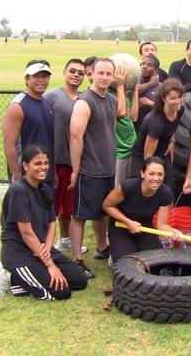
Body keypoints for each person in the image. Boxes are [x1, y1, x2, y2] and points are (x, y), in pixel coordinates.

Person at [0, 145, 87, 300]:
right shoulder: (18, 191)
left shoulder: (44, 188)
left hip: (41, 248)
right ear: (25, 166)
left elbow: (51, 223)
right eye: (37, 164)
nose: (43, 167)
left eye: (46, 163)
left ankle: (29, 275)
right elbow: (27, 233)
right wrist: (50, 265)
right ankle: (8, 275)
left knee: (79, 280)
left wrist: (47, 249)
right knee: (62, 292)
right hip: (20, 252)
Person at [69, 58, 118, 278]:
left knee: (103, 212)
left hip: (108, 169)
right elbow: (75, 136)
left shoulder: (111, 100)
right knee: (80, 215)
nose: (105, 77)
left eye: (109, 73)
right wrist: (76, 169)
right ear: (92, 74)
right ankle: (76, 259)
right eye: (101, 73)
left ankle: (101, 247)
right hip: (89, 170)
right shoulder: (84, 102)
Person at [44, 59, 88, 254]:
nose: (76, 75)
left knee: (68, 207)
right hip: (55, 160)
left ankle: (65, 239)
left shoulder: (83, 99)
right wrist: (49, 162)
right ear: (64, 72)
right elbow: (44, 129)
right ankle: (46, 244)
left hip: (74, 162)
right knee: (50, 206)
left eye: (80, 72)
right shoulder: (52, 96)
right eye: (72, 71)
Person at [103, 157, 181, 263]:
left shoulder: (165, 193)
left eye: (160, 174)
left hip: (145, 228)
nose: (156, 178)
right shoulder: (128, 186)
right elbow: (107, 206)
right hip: (121, 227)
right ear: (143, 173)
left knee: (157, 262)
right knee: (128, 263)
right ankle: (115, 253)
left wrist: (173, 232)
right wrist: (128, 222)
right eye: (151, 174)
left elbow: (162, 225)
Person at [3, 60, 54, 185]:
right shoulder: (18, 106)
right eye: (36, 76)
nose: (41, 80)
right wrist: (17, 175)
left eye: (45, 76)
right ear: (27, 79)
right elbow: (9, 145)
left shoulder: (47, 104)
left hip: (45, 174)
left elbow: (49, 140)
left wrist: (53, 173)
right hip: (26, 176)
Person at [131, 78, 184, 192]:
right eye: (173, 98)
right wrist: (155, 175)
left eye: (180, 97)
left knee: (169, 188)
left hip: (162, 152)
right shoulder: (155, 122)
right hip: (143, 157)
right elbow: (148, 156)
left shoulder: (180, 109)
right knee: (149, 188)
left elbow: (174, 126)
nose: (178, 101)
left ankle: (167, 209)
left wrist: (172, 141)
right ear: (164, 99)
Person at [108, 67, 139, 185]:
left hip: (130, 147)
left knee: (127, 186)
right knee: (118, 187)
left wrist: (135, 92)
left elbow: (133, 117)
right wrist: (120, 86)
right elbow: (120, 113)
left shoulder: (121, 94)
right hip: (119, 150)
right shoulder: (109, 95)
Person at [136, 54, 163, 128]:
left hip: (152, 128)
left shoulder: (162, 88)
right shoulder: (134, 82)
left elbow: (167, 109)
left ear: (156, 71)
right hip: (134, 126)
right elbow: (135, 90)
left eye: (149, 65)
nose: (144, 66)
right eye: (143, 64)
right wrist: (151, 83)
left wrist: (150, 103)